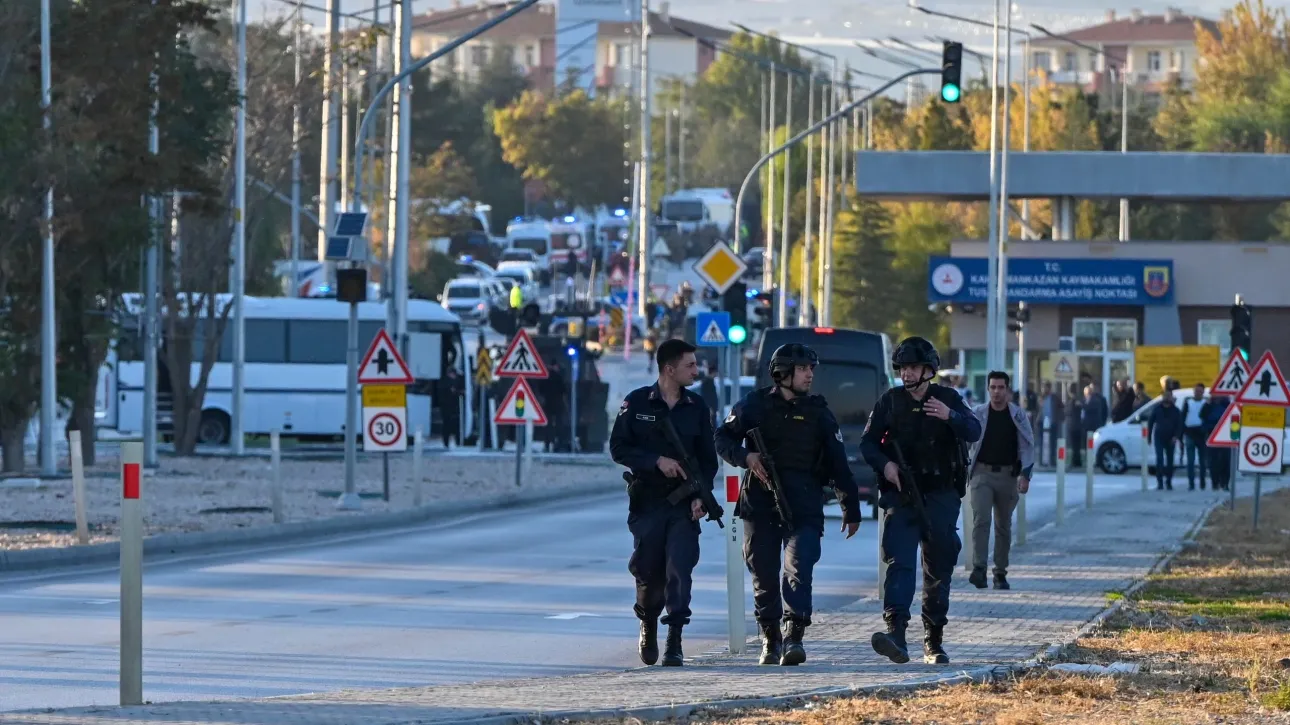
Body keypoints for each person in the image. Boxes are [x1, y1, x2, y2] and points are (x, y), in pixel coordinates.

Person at [715, 343, 862, 666]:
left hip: (805, 502)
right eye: (803, 368)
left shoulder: (819, 412)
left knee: (799, 568)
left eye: (811, 368)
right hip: (759, 502)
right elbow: (722, 437)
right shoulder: (753, 406)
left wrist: (850, 507)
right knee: (763, 574)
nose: (810, 374)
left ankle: (794, 635)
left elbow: (838, 463)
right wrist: (746, 456)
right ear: (783, 373)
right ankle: (770, 638)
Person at [860, 337, 981, 666]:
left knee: (938, 566)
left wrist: (949, 416)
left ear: (929, 370)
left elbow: (973, 430)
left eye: (913, 367)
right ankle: (895, 632)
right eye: (902, 368)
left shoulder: (947, 398)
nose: (907, 374)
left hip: (940, 495)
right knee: (899, 561)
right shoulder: (890, 401)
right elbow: (868, 443)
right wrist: (886, 465)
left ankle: (933, 638)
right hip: (901, 494)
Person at [609, 338, 718, 667]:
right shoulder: (638, 402)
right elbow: (618, 448)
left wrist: (702, 495)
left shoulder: (697, 407)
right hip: (648, 502)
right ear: (669, 369)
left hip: (684, 505)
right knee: (649, 570)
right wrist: (655, 460)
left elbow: (707, 460)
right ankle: (648, 622)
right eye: (690, 365)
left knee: (679, 568)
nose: (696, 371)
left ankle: (675, 640)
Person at [967, 371, 1035, 591]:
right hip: (981, 474)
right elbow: (964, 440)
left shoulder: (1017, 416)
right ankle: (979, 568)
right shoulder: (978, 414)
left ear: (1008, 390)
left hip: (1008, 475)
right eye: (993, 387)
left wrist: (1025, 474)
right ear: (988, 389)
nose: (996, 392)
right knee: (981, 519)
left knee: (1003, 526)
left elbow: (1027, 445)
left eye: (1001, 388)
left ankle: (1000, 573)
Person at [1148, 393, 1184, 490]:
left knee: (1170, 461)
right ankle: (1159, 482)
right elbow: (1150, 423)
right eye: (1165, 397)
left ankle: (1168, 482)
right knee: (1159, 459)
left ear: (1172, 398)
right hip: (1159, 437)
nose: (1167, 398)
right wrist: (1149, 438)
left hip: (1171, 438)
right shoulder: (1157, 409)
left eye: (1169, 397)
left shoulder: (1176, 411)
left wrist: (1176, 437)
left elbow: (1179, 425)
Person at [1180, 383, 1209, 490]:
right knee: (1190, 461)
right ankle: (1191, 484)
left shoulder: (1206, 403)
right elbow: (1182, 417)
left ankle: (1202, 483)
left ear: (1203, 392)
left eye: (1200, 391)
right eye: (1196, 391)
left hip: (1201, 434)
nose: (1198, 393)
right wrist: (1181, 434)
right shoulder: (1188, 402)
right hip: (1189, 433)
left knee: (1202, 461)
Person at [1201, 394, 1232, 491]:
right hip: (1212, 435)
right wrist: (1208, 404)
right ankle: (1215, 483)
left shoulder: (1226, 404)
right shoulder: (1209, 405)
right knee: (1213, 461)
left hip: (1225, 435)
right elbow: (1202, 415)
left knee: (1225, 461)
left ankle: (1225, 483)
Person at [1064, 382, 1084, 468]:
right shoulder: (1078, 400)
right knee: (1076, 445)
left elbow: (1069, 412)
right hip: (1077, 425)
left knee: (1074, 445)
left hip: (1074, 425)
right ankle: (1077, 461)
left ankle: (1075, 462)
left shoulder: (1074, 401)